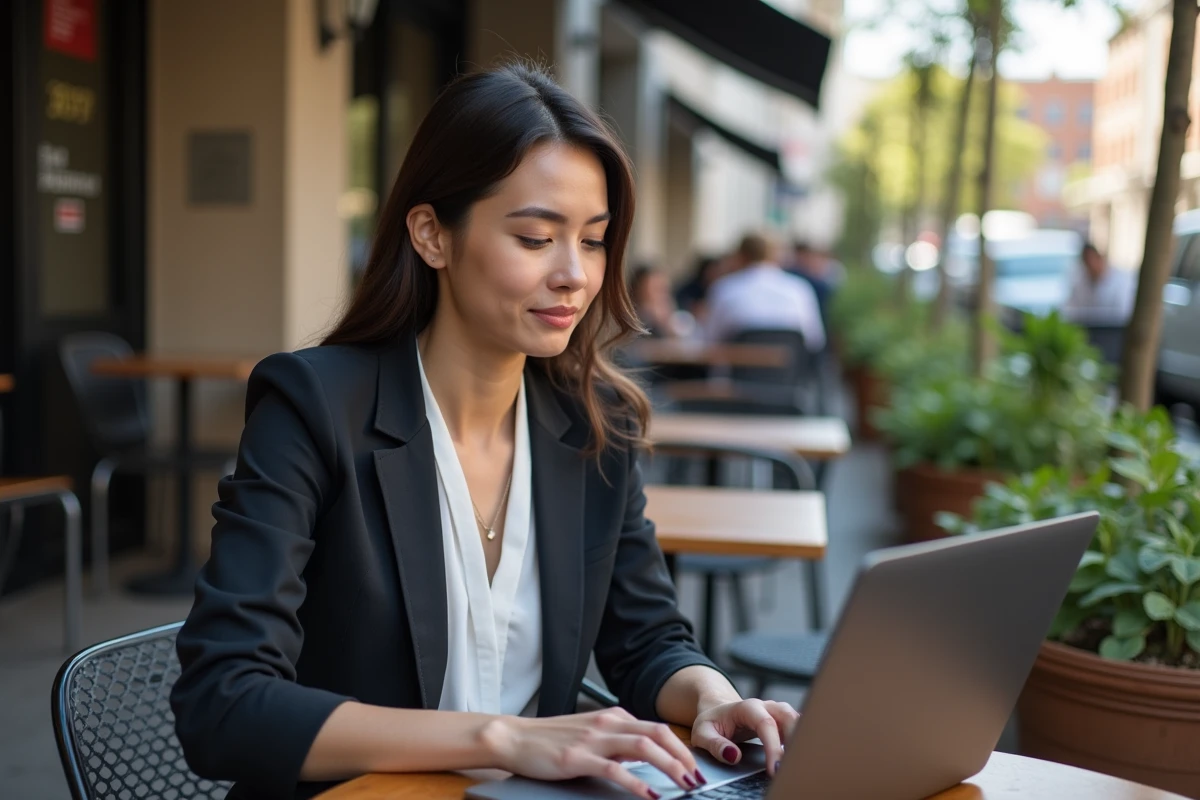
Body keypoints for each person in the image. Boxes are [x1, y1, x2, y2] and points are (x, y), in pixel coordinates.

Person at [170, 64, 797, 800]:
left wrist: (713, 695)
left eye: (594, 240)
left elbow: (647, 637)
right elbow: (224, 704)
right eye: (536, 238)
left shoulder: (596, 423)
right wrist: (502, 738)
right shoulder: (314, 406)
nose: (574, 274)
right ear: (432, 235)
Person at [704, 232, 826, 352]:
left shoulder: (725, 287)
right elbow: (815, 340)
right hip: (791, 364)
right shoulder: (799, 288)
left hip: (741, 363)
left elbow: (711, 339)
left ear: (741, 256)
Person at [1063, 242, 1136, 325]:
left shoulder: (1122, 280)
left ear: (1099, 258)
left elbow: (1124, 312)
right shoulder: (1080, 282)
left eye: (1092, 261)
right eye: (1087, 263)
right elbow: (1069, 310)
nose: (1091, 267)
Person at [629, 264, 688, 337]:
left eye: (663, 289)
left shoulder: (671, 313)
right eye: (656, 289)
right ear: (640, 290)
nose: (662, 295)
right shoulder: (635, 317)